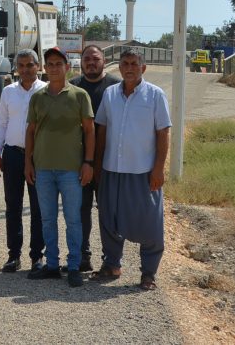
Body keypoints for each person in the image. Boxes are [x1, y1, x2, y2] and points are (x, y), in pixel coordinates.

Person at [92, 47, 171, 290]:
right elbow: (102, 131)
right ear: (119, 67)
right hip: (112, 169)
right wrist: (97, 166)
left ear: (143, 68)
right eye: (125, 63)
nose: (129, 68)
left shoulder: (155, 95)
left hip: (142, 172)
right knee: (109, 219)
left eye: (134, 64)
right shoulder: (110, 94)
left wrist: (158, 169)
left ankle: (148, 273)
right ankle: (112, 264)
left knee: (149, 223)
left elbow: (163, 133)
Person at [24, 46, 95, 288]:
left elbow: (89, 131)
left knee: (73, 219)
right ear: (45, 68)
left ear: (67, 67)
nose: (54, 68)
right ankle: (52, 264)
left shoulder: (79, 95)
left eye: (59, 64)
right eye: (50, 64)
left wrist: (88, 163)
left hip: (71, 170)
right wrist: (28, 163)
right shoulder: (37, 98)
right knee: (47, 219)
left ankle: (74, 266)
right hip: (43, 169)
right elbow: (31, 132)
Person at [0, 48, 46, 273]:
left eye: (29, 65)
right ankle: (14, 255)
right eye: (21, 66)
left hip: (39, 157)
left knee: (38, 207)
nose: (25, 70)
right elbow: (1, 124)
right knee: (13, 206)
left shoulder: (46, 91)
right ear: (16, 68)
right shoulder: (8, 92)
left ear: (38, 66)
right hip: (12, 155)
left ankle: (37, 256)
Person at [69, 44, 122, 272]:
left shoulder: (116, 88)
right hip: (77, 163)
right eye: (87, 59)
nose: (91, 63)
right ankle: (83, 256)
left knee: (109, 213)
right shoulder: (72, 88)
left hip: (108, 163)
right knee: (80, 212)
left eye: (96, 59)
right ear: (81, 62)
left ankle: (111, 260)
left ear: (104, 61)